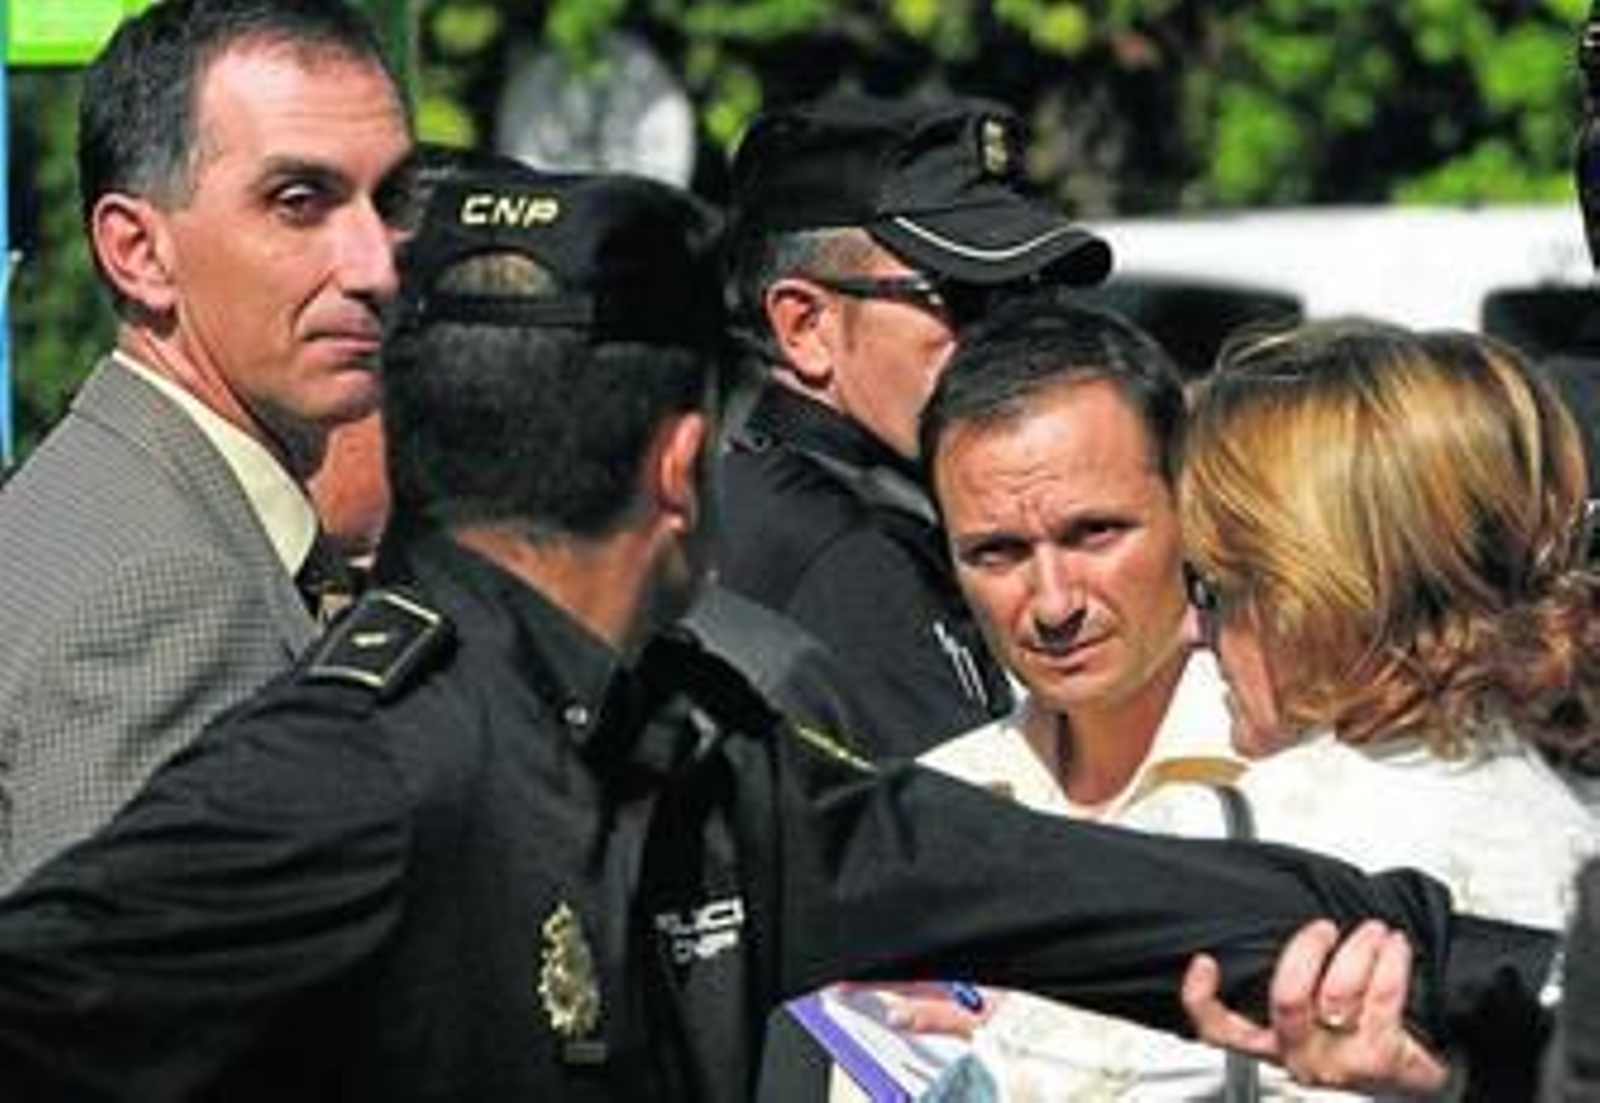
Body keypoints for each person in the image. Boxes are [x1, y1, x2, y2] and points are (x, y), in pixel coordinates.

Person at [0, 154, 1559, 1102]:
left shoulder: (699, 766)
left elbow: (1136, 903)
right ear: (686, 466)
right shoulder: (353, 772)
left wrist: (1502, 996)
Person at [0, 0, 412, 888]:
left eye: (395, 200)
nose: (376, 265)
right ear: (138, 250)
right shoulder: (172, 592)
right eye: (300, 202)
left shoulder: (104, 491)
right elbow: (114, 1004)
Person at [1178, 317, 1600, 1099]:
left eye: (1207, 586)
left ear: (1313, 594)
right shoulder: (1581, 816)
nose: (1187, 630)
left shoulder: (1216, 840)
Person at [717, 92, 1113, 758]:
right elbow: (975, 844)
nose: (1009, 338)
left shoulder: (752, 491)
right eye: (963, 298)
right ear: (805, 327)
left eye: (1026, 294)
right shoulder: (851, 559)